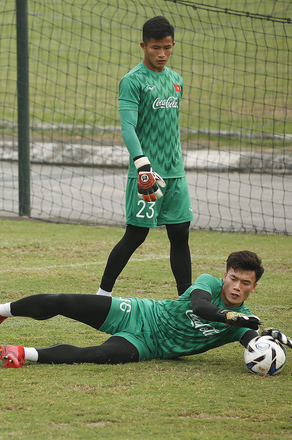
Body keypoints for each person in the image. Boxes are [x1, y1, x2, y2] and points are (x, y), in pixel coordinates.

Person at [0, 251, 292, 368]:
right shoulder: (208, 283)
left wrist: (266, 338)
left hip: (148, 347)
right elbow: (201, 307)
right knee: (62, 301)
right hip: (138, 313)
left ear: (254, 286)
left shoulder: (242, 321)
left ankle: (21, 353)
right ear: (225, 275)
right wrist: (232, 316)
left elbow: (250, 339)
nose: (237, 287)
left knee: (95, 356)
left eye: (245, 284)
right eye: (233, 279)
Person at [98, 16, 193, 298]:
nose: (161, 54)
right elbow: (128, 126)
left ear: (173, 45)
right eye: (155, 48)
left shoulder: (176, 80)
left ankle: (186, 302)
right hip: (146, 174)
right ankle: (102, 295)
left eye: (167, 47)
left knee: (180, 235)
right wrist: (142, 164)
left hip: (175, 173)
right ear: (143, 45)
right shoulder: (132, 81)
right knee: (136, 235)